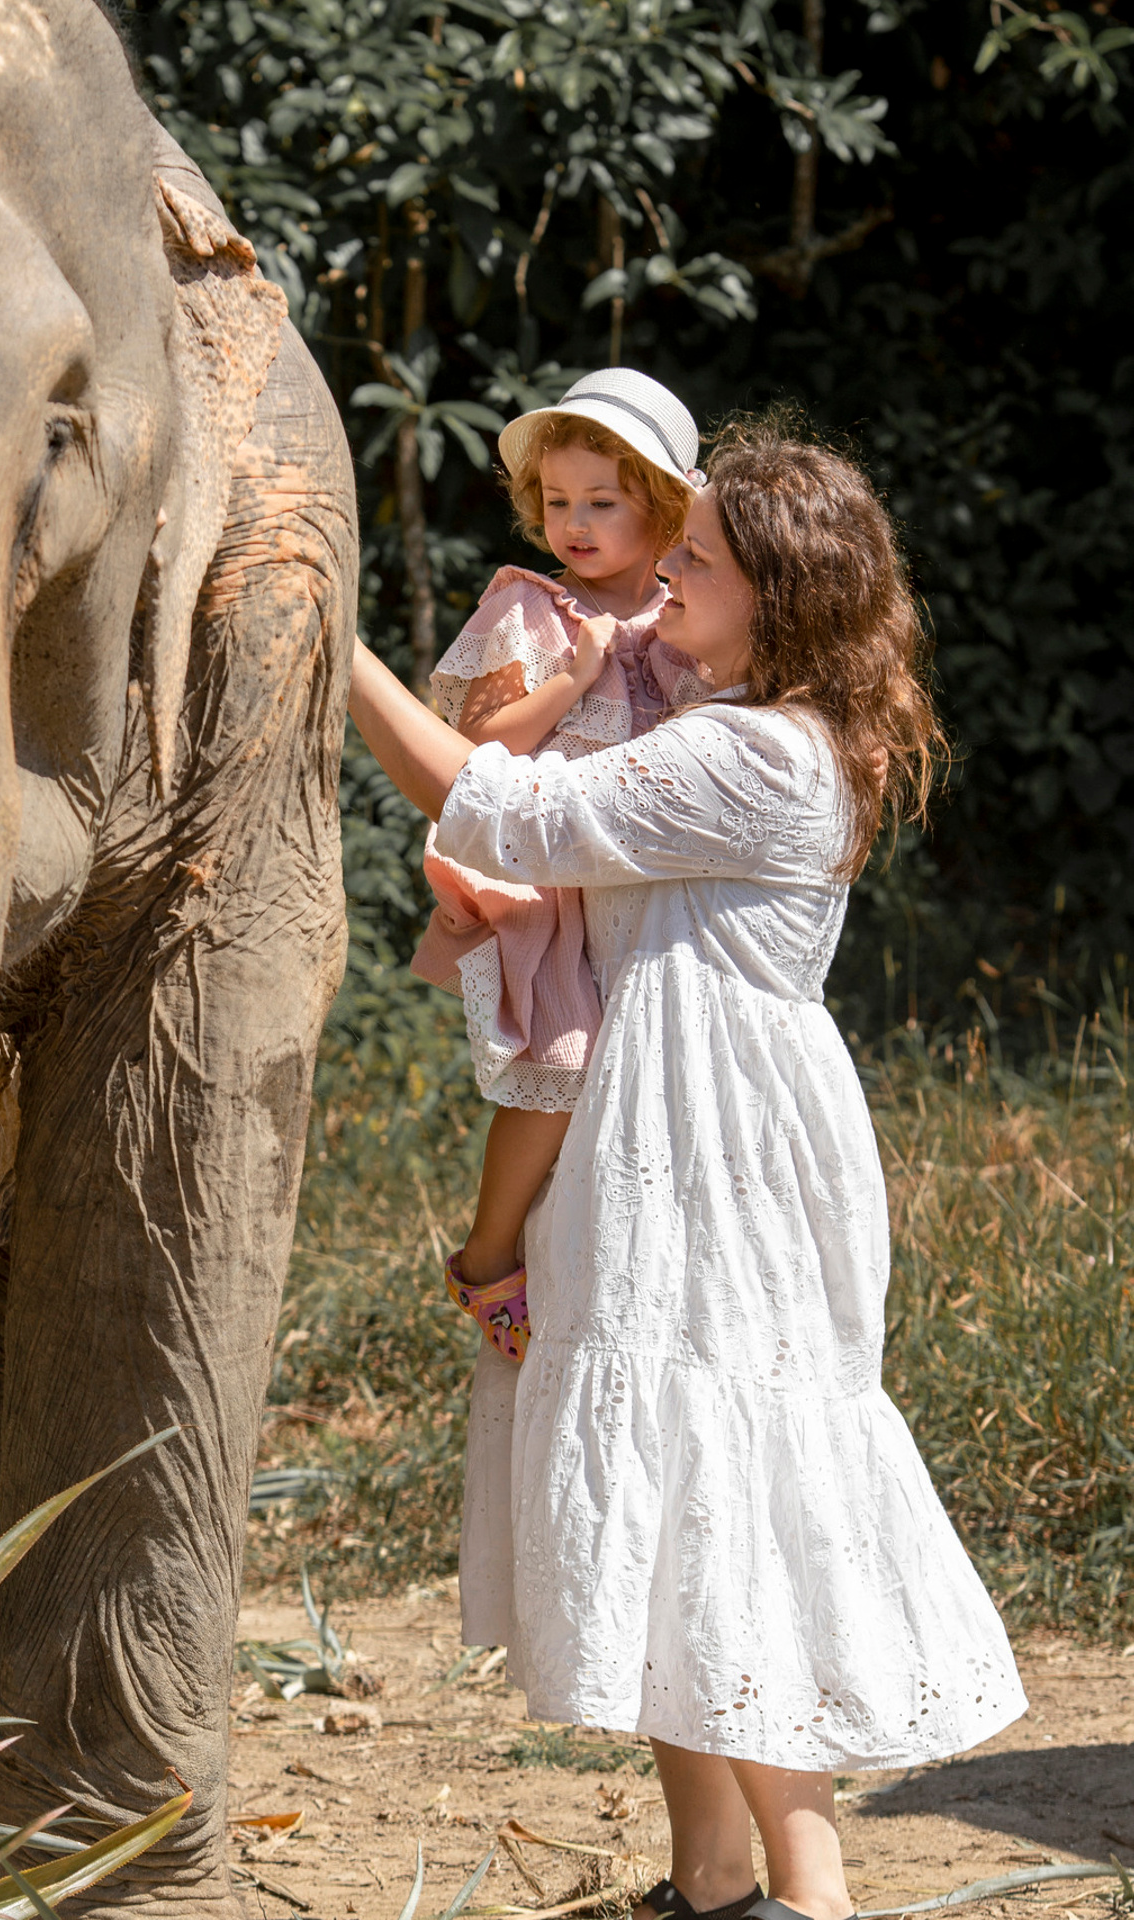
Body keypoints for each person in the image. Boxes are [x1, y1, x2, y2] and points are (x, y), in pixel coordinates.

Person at [348, 415, 1027, 1920]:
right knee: (675, 1488)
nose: (664, 581)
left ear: (778, 597)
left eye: (698, 563)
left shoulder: (751, 753)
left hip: (718, 1140)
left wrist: (336, 652)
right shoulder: (743, 723)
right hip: (673, 1117)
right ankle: (715, 1879)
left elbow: (491, 804)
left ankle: (811, 1889)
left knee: (732, 1482)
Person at [413, 369, 708, 1360]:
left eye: (602, 503)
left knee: (658, 1065)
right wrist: (577, 676)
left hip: (651, 875)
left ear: (663, 508)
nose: (574, 524)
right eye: (557, 501)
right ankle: (488, 1253)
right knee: (564, 1061)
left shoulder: (688, 611)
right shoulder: (535, 611)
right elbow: (475, 746)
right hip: (550, 873)